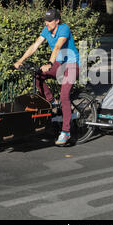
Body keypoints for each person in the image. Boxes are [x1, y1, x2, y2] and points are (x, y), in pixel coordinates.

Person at [14, 8, 80, 145]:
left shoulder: (64, 29)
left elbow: (57, 47)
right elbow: (35, 46)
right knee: (38, 76)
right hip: (60, 64)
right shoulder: (46, 31)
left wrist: (50, 63)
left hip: (71, 65)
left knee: (65, 96)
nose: (47, 23)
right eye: (46, 20)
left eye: (50, 21)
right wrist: (20, 60)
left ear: (57, 21)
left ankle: (66, 132)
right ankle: (52, 101)